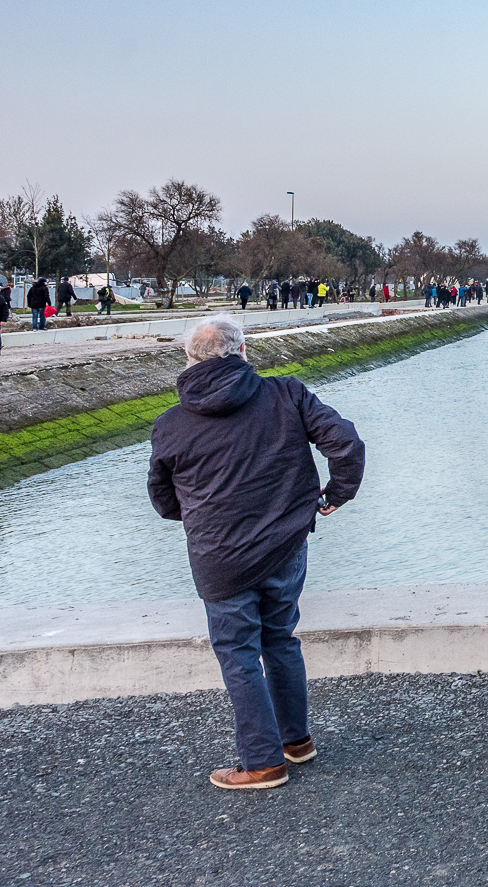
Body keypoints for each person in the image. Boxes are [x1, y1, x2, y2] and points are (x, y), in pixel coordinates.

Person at [147, 317, 365, 790]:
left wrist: (206, 516)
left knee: (239, 652)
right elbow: (346, 444)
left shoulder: (170, 425)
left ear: (190, 360)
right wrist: (333, 495)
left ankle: (264, 763)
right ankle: (296, 741)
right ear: (244, 351)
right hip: (286, 544)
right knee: (280, 638)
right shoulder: (286, 394)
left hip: (219, 556)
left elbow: (164, 502)